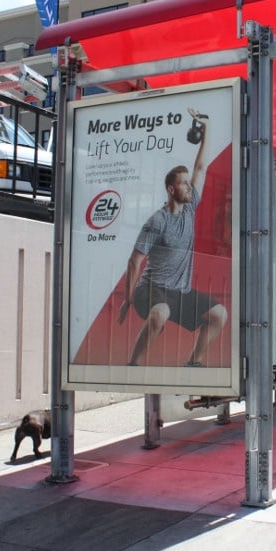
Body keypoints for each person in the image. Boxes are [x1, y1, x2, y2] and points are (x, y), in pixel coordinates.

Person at [117, 110, 228, 367]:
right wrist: (128, 299)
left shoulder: (189, 209)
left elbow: (201, 166)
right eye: (184, 184)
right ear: (171, 189)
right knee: (161, 313)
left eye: (190, 184)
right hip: (151, 290)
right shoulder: (158, 220)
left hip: (180, 292)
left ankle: (194, 363)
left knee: (219, 314)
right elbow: (135, 261)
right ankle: (132, 365)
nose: (190, 187)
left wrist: (206, 128)